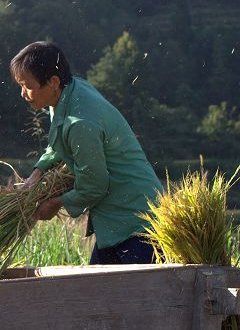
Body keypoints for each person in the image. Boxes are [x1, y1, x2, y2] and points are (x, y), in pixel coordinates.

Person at [11, 41, 163, 264]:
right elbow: (59, 142)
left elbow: (94, 185)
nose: (23, 93)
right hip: (115, 220)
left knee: (131, 296)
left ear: (53, 82)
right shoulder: (69, 93)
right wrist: (37, 173)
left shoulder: (81, 122)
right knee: (99, 292)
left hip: (137, 220)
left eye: (27, 86)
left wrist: (56, 203)